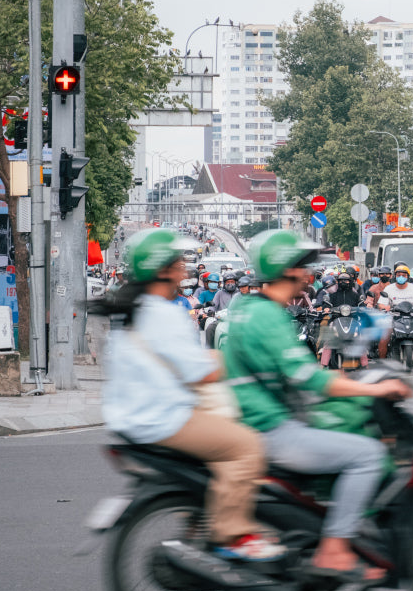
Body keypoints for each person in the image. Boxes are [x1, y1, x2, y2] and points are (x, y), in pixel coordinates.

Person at [224, 230, 411, 580]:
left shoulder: (247, 307)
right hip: (271, 428)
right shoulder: (268, 317)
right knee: (367, 454)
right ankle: (335, 549)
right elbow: (309, 378)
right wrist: (376, 391)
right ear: (288, 271)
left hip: (257, 418)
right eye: (302, 267)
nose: (308, 275)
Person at [100, 229, 283, 563]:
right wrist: (234, 360)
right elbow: (203, 374)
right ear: (164, 270)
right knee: (247, 446)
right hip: (163, 420)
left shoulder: (129, 311)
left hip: (130, 418)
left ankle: (199, 515)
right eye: (179, 263)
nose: (185, 270)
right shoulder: (164, 314)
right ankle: (231, 532)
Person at [378, 264, 413, 373]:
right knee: (384, 338)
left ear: (407, 276)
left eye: (403, 275)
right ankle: (382, 365)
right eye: (398, 275)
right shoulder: (389, 288)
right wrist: (386, 307)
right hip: (394, 317)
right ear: (395, 276)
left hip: (411, 317)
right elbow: (381, 304)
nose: (401, 276)